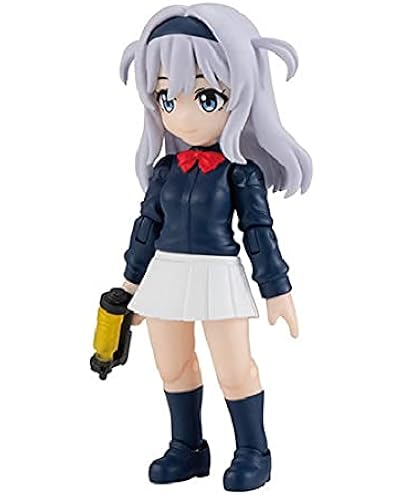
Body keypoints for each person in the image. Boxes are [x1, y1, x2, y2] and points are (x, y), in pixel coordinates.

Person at [118, 3, 312, 491]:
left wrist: (277, 289)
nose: (182, 114)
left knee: (234, 368)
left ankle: (253, 451)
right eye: (166, 98)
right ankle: (187, 446)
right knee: (172, 365)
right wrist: (128, 287)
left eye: (206, 97)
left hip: (218, 275)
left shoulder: (239, 173)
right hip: (165, 275)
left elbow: (259, 231)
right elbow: (146, 230)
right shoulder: (164, 172)